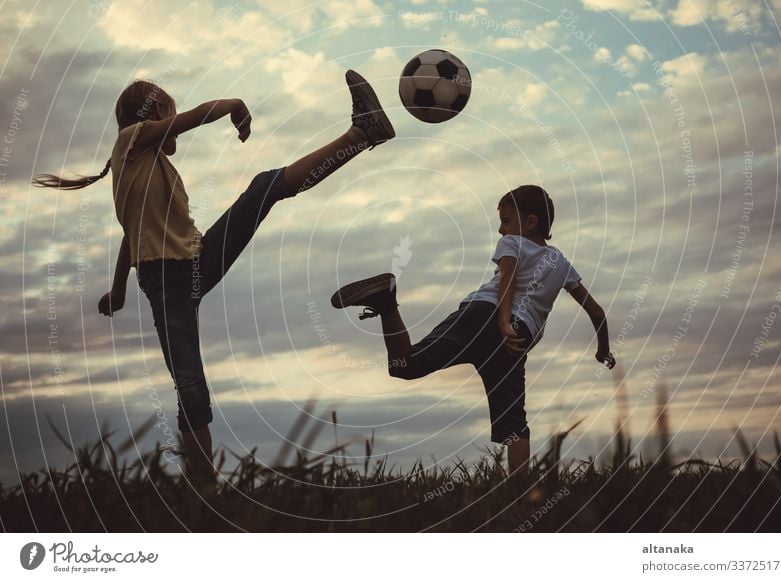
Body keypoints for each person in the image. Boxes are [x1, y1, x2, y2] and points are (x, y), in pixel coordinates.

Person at [33, 70, 395, 491]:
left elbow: (131, 238)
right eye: (167, 113)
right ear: (151, 115)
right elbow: (197, 116)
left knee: (264, 187)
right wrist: (233, 106)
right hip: (168, 281)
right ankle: (204, 487)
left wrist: (117, 290)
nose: (172, 127)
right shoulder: (131, 140)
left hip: (194, 262)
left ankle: (361, 133)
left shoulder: (147, 164)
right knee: (189, 382)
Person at [330, 185, 615, 479]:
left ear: (531, 222)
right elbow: (596, 312)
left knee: (405, 365)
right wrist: (602, 350)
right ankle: (520, 496)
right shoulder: (562, 264)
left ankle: (386, 303)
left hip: (483, 316)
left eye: (506, 221)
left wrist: (503, 321)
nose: (501, 231)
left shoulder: (513, 244)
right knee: (515, 425)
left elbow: (508, 277)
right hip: (516, 340)